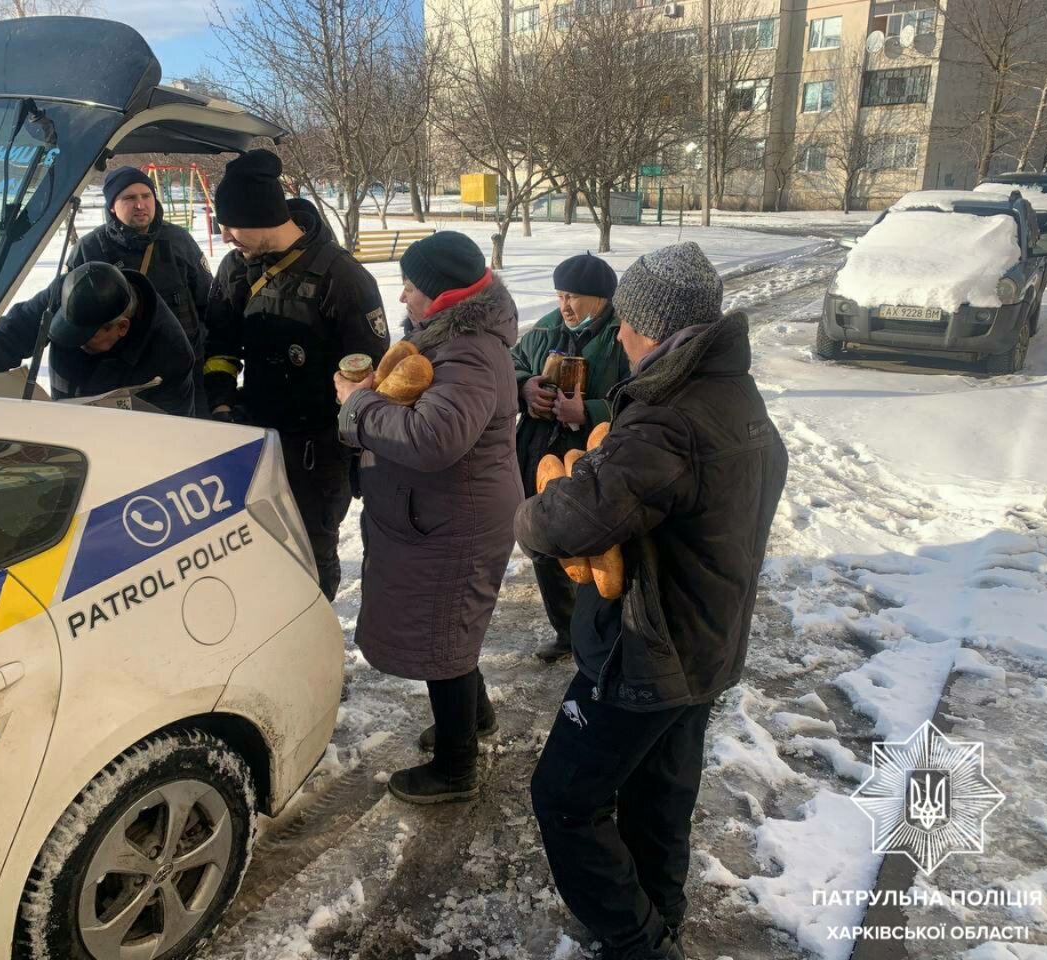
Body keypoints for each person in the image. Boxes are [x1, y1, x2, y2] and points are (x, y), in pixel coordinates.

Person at [515, 243, 788, 960]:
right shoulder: (736, 394)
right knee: (658, 796)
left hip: (646, 649)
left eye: (625, 325)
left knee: (565, 799)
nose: (620, 340)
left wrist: (534, 512)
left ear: (649, 328)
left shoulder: (668, 418)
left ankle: (637, 943)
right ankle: (658, 915)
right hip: (706, 641)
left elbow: (569, 521)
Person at [333, 231, 521, 804]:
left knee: (444, 637)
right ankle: (474, 718)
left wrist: (356, 406)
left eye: (411, 289)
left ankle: (456, 767)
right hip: (446, 512)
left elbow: (435, 438)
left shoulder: (465, 348)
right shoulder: (452, 337)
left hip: (455, 520)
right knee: (452, 627)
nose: (403, 300)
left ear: (440, 296)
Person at [204, 150, 388, 601]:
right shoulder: (234, 270)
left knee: (310, 553)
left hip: (318, 449)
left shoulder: (341, 277)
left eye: (232, 224)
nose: (225, 236)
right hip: (253, 438)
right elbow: (219, 350)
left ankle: (315, 659)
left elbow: (373, 370)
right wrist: (222, 403)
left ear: (262, 214)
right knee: (254, 553)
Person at [512, 253, 629, 663]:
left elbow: (645, 397)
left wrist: (592, 412)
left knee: (596, 550)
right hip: (539, 452)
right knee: (545, 544)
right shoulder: (544, 330)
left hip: (597, 459)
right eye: (560, 294)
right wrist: (525, 389)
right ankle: (565, 630)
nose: (564, 305)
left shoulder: (624, 335)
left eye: (574, 296)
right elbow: (511, 367)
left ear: (600, 300)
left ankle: (601, 636)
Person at [0, 261, 196, 416]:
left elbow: (171, 428)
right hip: (63, 411)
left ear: (121, 328)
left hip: (124, 436)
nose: (77, 344)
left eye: (85, 337)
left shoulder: (171, 352)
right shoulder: (69, 292)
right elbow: (6, 338)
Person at [68, 166, 213, 412]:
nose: (140, 204)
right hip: (122, 378)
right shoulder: (89, 249)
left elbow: (208, 302)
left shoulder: (179, 241)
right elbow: (73, 315)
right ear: (112, 206)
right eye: (129, 198)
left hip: (183, 372)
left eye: (146, 196)